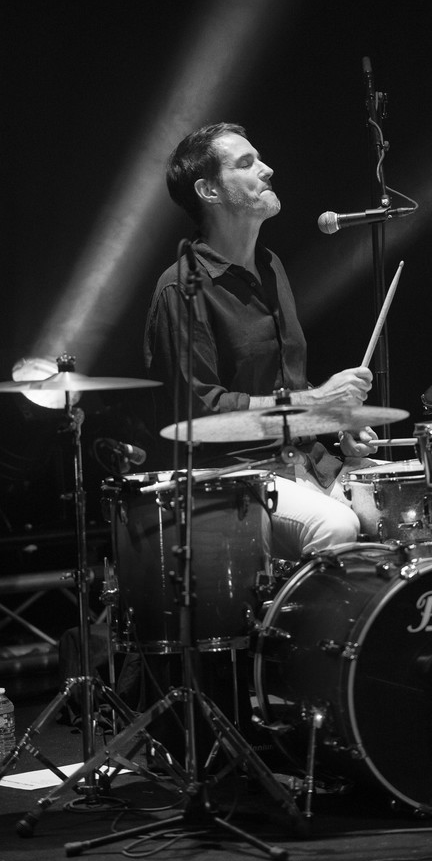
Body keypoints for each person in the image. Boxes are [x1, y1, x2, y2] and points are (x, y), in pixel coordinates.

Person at [144, 122, 381, 561]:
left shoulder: (270, 266)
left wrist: (334, 418)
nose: (267, 169)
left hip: (304, 461)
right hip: (237, 477)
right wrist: (313, 403)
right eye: (246, 163)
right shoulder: (181, 287)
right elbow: (202, 412)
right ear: (209, 191)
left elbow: (282, 387)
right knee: (337, 525)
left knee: (410, 501)